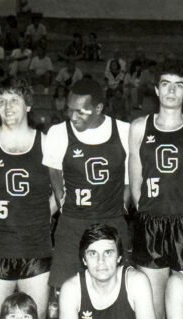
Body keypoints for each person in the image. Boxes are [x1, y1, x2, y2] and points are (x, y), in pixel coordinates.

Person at [128, 60, 183, 319]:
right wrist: (150, 213)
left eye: (178, 86)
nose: (172, 91)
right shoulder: (140, 127)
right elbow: (136, 184)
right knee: (154, 310)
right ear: (157, 90)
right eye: (166, 84)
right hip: (151, 223)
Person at [0, 79, 53, 319]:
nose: (7, 106)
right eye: (1, 101)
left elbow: (63, 191)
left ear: (28, 105)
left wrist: (41, 213)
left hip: (36, 248)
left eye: (14, 100)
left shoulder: (46, 143)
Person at [44, 78, 130, 291]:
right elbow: (54, 173)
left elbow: (131, 179)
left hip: (112, 220)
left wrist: (123, 206)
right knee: (64, 291)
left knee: (118, 290)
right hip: (73, 222)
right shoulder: (58, 132)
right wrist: (62, 203)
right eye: (70, 110)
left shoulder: (124, 131)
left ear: (98, 108)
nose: (73, 117)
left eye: (81, 112)